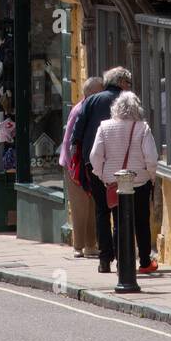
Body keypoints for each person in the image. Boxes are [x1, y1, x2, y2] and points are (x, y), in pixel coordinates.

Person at [70, 66, 132, 272]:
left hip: (94, 163)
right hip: (122, 164)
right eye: (128, 82)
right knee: (120, 209)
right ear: (122, 82)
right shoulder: (127, 100)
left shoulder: (91, 100)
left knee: (102, 210)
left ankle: (105, 259)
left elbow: (76, 134)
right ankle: (122, 256)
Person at [89, 92, 159, 275]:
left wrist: (101, 175)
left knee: (118, 223)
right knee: (141, 222)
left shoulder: (104, 127)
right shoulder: (142, 128)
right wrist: (152, 176)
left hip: (114, 182)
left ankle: (122, 263)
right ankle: (144, 262)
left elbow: (95, 155)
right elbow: (151, 157)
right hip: (140, 181)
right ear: (137, 108)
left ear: (116, 108)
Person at [59, 76, 102, 258]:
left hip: (88, 164)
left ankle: (91, 245)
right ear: (92, 93)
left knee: (92, 205)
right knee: (80, 206)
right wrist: (72, 167)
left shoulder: (92, 108)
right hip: (74, 165)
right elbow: (69, 140)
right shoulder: (79, 110)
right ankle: (79, 246)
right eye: (101, 91)